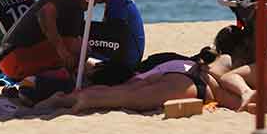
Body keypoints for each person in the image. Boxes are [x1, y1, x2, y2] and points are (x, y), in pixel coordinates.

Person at [36, 47, 223, 114]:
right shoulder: (225, 67)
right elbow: (232, 97)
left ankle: (66, 98)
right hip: (188, 77)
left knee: (129, 92)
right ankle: (83, 99)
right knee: (131, 96)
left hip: (173, 67)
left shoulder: (215, 62)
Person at [0, 0, 108, 80]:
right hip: (14, 59)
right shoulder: (69, 0)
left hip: (8, 59)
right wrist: (62, 51)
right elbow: (44, 14)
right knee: (80, 47)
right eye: (96, 2)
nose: (92, 6)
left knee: (78, 45)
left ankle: (54, 75)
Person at [87, 0, 145, 69]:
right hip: (130, 58)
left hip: (127, 63)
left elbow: (114, 35)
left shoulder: (118, 3)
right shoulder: (118, 0)